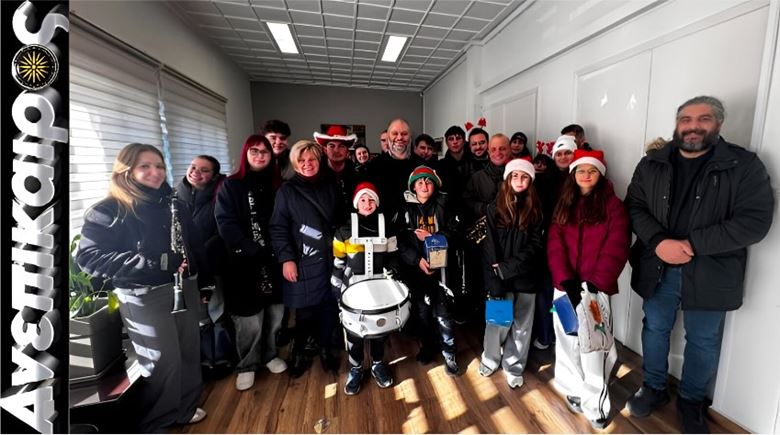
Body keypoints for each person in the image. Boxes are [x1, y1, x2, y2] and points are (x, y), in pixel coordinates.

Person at [625, 96, 774, 433]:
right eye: (686, 119)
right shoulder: (652, 163)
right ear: (677, 125)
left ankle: (691, 401)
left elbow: (755, 221)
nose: (693, 126)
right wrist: (659, 242)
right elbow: (634, 206)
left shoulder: (743, 165)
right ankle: (653, 387)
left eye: (703, 119)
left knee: (703, 340)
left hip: (711, 271)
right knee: (654, 328)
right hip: (659, 265)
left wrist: (693, 245)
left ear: (718, 123)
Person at [76, 143, 206, 432]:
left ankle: (184, 410)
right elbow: (88, 257)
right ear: (126, 171)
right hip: (143, 296)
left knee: (188, 353)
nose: (155, 172)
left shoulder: (174, 204)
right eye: (144, 166)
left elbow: (192, 243)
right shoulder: (108, 209)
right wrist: (155, 262)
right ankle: (157, 422)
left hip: (183, 286)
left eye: (159, 166)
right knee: (162, 362)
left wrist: (198, 274)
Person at [547, 149, 630, 430]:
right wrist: (565, 279)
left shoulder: (613, 206)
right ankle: (572, 387)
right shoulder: (564, 203)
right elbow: (555, 243)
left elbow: (617, 245)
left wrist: (595, 282)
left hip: (595, 289)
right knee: (567, 339)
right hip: (564, 288)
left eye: (591, 171)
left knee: (594, 346)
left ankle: (595, 404)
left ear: (600, 174)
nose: (586, 175)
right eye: (581, 170)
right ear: (573, 174)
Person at [215, 135, 287, 391]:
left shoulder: (279, 185)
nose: (259, 156)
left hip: (275, 260)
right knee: (249, 319)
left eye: (264, 152)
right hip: (243, 263)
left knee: (275, 314)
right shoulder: (231, 185)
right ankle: (247, 364)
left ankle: (269, 355)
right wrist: (251, 248)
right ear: (245, 154)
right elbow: (225, 223)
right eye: (254, 151)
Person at [270, 140, 345, 378]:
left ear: (319, 160)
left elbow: (341, 218)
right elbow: (278, 227)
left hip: (331, 258)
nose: (307, 164)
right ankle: (300, 352)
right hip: (303, 260)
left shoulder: (331, 185)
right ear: (294, 163)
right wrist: (286, 259)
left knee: (328, 309)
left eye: (311, 159)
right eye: (301, 161)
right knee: (304, 312)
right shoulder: (287, 191)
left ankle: (325, 349)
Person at [479, 157, 544, 389]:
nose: (519, 180)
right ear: (507, 179)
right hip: (499, 277)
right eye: (515, 175)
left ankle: (514, 366)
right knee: (497, 322)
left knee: (522, 325)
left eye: (524, 176)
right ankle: (490, 358)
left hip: (526, 276)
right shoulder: (493, 208)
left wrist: (508, 267)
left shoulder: (536, 210)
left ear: (530, 181)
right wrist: (495, 276)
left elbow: (535, 246)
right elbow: (489, 246)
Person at [332, 182, 401, 395]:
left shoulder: (388, 228)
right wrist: (337, 291)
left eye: (371, 199)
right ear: (356, 203)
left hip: (380, 288)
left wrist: (394, 276)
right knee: (355, 332)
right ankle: (356, 367)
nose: (367, 203)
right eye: (362, 199)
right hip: (352, 289)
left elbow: (393, 257)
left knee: (379, 329)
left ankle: (378, 364)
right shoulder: (343, 231)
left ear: (377, 203)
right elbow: (338, 264)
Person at [398, 166, 460, 376]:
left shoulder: (444, 205)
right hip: (417, 270)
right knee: (423, 312)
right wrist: (416, 260)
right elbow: (400, 241)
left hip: (442, 270)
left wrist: (433, 237)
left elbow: (454, 231)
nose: (424, 185)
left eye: (428, 181)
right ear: (413, 187)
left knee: (443, 313)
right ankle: (427, 347)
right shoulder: (405, 209)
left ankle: (449, 352)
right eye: (420, 182)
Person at [531, 134, 578, 350]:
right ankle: (545, 335)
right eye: (559, 153)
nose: (563, 157)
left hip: (573, 248)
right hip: (548, 245)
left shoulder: (581, 179)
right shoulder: (544, 180)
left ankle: (567, 338)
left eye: (568, 152)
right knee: (546, 293)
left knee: (567, 294)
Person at [175, 155, 225, 291]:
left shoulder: (221, 196)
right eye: (193, 167)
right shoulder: (174, 195)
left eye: (204, 170)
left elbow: (222, 233)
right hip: (183, 267)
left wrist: (201, 253)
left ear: (214, 176)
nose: (196, 172)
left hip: (213, 264)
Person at [366, 118, 416, 218]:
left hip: (415, 222)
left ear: (410, 137)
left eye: (404, 134)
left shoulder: (421, 165)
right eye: (394, 133)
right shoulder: (375, 165)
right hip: (383, 222)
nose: (399, 137)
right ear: (388, 137)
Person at [316, 125, 359, 221]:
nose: (336, 150)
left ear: (347, 150)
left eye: (341, 146)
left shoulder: (357, 175)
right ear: (325, 150)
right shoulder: (316, 174)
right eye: (331, 146)